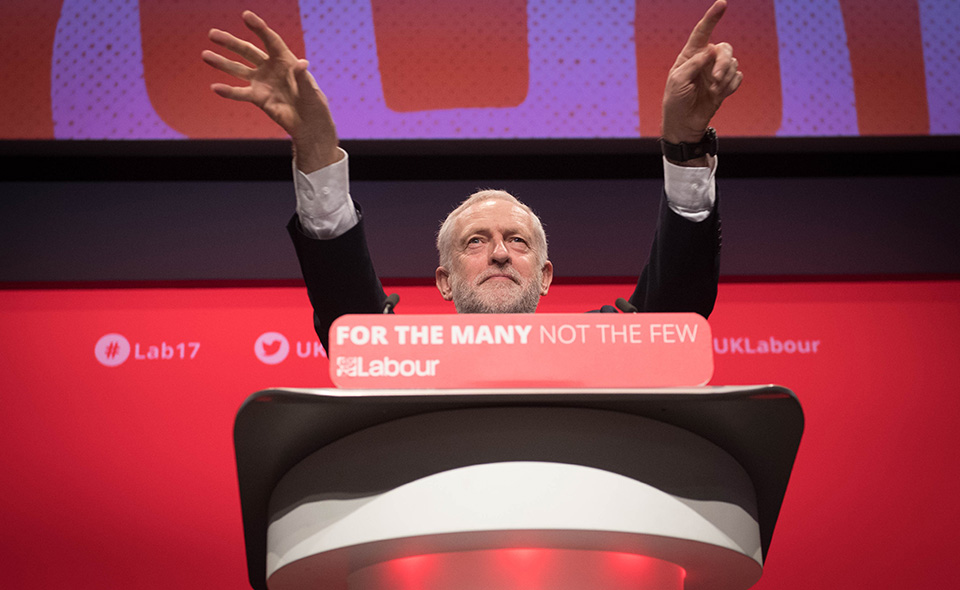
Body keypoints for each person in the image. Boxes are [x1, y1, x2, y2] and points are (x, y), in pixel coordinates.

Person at [203, 1, 741, 351]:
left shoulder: (599, 343)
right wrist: (317, 151)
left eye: (517, 241)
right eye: (477, 242)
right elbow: (349, 316)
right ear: (444, 281)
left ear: (546, 276)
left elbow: (676, 311)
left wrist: (685, 143)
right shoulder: (399, 355)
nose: (501, 253)